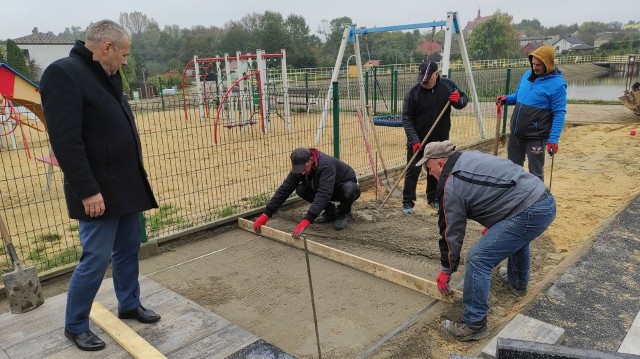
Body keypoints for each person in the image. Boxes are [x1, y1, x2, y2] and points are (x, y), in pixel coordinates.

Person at [39, 20, 160, 352]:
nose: (124, 61)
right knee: (95, 257)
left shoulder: (107, 73)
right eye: (123, 54)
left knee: (127, 251)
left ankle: (129, 304)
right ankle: (76, 324)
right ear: (106, 48)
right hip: (97, 191)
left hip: (125, 184)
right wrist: (87, 190)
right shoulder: (63, 74)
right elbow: (66, 141)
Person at [415, 140, 556, 341]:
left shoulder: (452, 184)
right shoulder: (468, 157)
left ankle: (474, 324)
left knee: (478, 258)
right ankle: (517, 283)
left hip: (530, 210)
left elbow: (451, 231)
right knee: (516, 236)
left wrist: (447, 269)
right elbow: (498, 182)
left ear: (439, 163)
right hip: (540, 198)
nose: (429, 174)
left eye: (428, 168)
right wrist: (497, 222)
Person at [401, 61, 468, 214]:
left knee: (436, 171)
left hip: (440, 141)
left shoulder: (447, 85)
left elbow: (463, 100)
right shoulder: (414, 93)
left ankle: (434, 199)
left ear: (436, 74)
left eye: (428, 79)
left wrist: (458, 100)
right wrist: (414, 140)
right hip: (418, 140)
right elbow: (407, 119)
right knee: (413, 170)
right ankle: (408, 202)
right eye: (422, 80)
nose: (424, 83)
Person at [497, 44, 567, 181]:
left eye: (539, 65)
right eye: (533, 63)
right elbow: (518, 96)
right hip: (516, 134)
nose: (535, 67)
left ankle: (538, 201)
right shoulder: (527, 75)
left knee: (535, 174)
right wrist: (506, 99)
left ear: (548, 64)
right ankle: (515, 199)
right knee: (512, 170)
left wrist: (553, 139)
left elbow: (559, 113)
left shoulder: (557, 85)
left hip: (536, 136)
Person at [253, 147, 360, 236]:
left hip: (344, 188)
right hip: (325, 187)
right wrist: (267, 213)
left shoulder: (326, 166)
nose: (302, 172)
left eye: (304, 169)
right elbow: (285, 188)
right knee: (301, 189)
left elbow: (324, 193)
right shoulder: (300, 167)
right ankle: (330, 212)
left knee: (348, 191)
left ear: (310, 160)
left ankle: (342, 213)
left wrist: (308, 218)